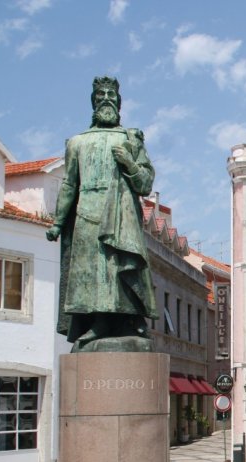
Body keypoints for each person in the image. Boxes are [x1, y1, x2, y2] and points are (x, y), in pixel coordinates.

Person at [45, 76, 158, 352]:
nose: (106, 99)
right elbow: (70, 183)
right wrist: (58, 222)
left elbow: (145, 183)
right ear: (93, 102)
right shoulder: (77, 143)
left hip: (122, 215)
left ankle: (127, 320)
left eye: (111, 95)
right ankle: (98, 323)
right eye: (101, 95)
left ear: (119, 103)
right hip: (86, 213)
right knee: (93, 274)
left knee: (120, 268)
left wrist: (129, 162)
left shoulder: (130, 138)